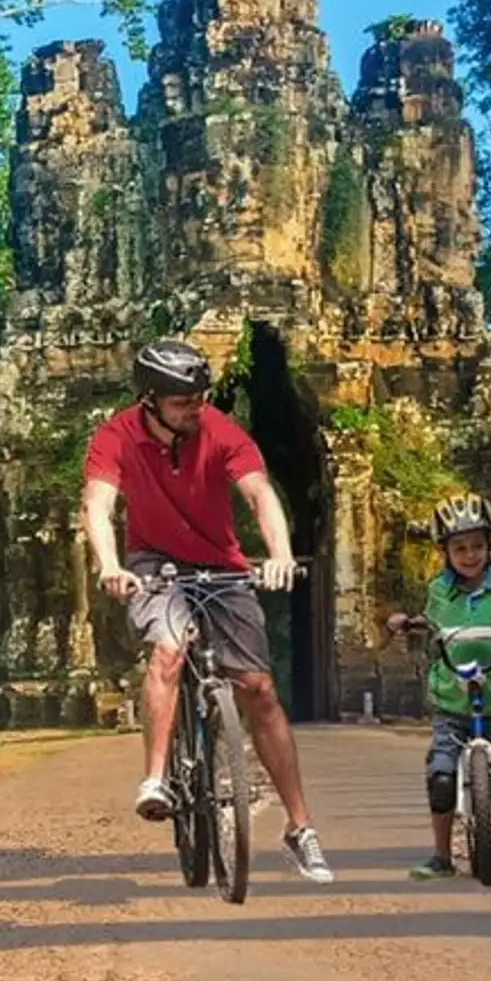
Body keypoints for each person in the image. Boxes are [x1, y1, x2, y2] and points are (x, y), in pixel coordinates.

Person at [80, 337, 334, 884]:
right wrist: (109, 564)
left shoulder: (219, 430)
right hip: (152, 564)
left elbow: (260, 494)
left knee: (258, 689)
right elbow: (97, 504)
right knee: (169, 651)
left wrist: (282, 557)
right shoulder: (116, 437)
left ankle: (300, 826)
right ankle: (155, 780)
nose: (195, 409)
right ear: (149, 401)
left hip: (221, 565)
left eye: (199, 397)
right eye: (181, 402)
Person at [386, 493, 491, 883]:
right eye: (460, 548)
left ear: (490, 546)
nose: (470, 555)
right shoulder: (439, 590)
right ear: (445, 552)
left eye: (477, 546)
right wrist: (406, 622)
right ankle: (441, 856)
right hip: (452, 699)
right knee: (441, 778)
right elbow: (427, 620)